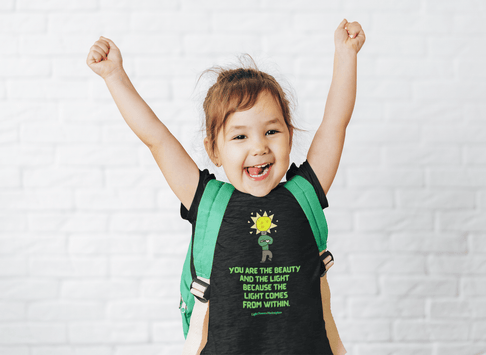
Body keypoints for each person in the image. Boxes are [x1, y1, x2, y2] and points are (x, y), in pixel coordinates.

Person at [87, 18, 365, 355]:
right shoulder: (207, 201)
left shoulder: (304, 193)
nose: (259, 146)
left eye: (271, 132)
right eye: (240, 136)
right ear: (214, 150)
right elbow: (157, 139)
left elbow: (336, 123)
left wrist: (345, 55)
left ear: (290, 137)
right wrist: (114, 76)